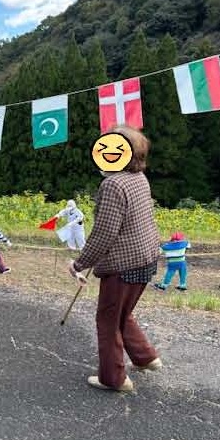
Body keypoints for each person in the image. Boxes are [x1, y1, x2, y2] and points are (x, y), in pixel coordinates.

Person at [68, 126, 161, 392]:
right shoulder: (139, 178)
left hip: (123, 265)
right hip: (146, 258)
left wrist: (79, 264)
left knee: (108, 320)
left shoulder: (113, 184)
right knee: (122, 313)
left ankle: (114, 379)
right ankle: (146, 357)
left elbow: (104, 233)